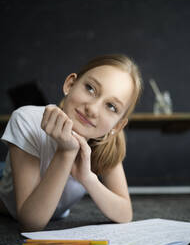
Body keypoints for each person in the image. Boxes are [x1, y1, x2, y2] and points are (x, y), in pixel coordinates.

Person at [0, 54, 143, 231]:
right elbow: (31, 221)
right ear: (70, 84)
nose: (92, 108)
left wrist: (87, 178)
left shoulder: (104, 144)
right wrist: (66, 152)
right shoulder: (26, 119)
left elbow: (124, 214)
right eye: (90, 88)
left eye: (111, 106)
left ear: (118, 126)